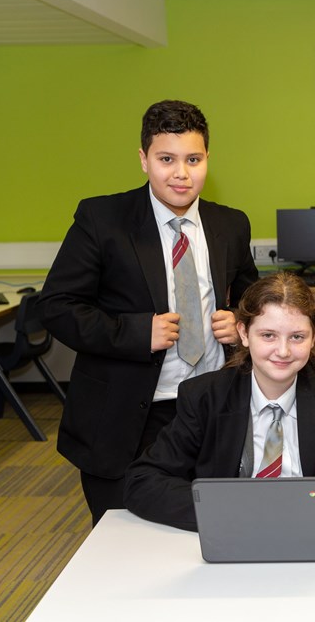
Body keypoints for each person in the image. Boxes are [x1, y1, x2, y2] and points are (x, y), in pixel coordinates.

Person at [39, 100, 259, 526]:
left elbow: (250, 294)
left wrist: (241, 321)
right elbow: (57, 307)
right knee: (125, 546)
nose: (181, 173)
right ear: (143, 160)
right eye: (166, 159)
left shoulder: (231, 224)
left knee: (213, 534)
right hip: (128, 419)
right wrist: (137, 333)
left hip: (211, 410)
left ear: (207, 159)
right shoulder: (102, 219)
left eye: (193, 159)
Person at [124, 273, 315, 531]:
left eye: (297, 337)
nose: (282, 351)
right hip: (235, 532)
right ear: (244, 334)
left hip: (312, 529)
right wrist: (232, 511)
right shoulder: (206, 396)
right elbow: (143, 481)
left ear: (314, 336)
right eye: (268, 335)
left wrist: (305, 503)